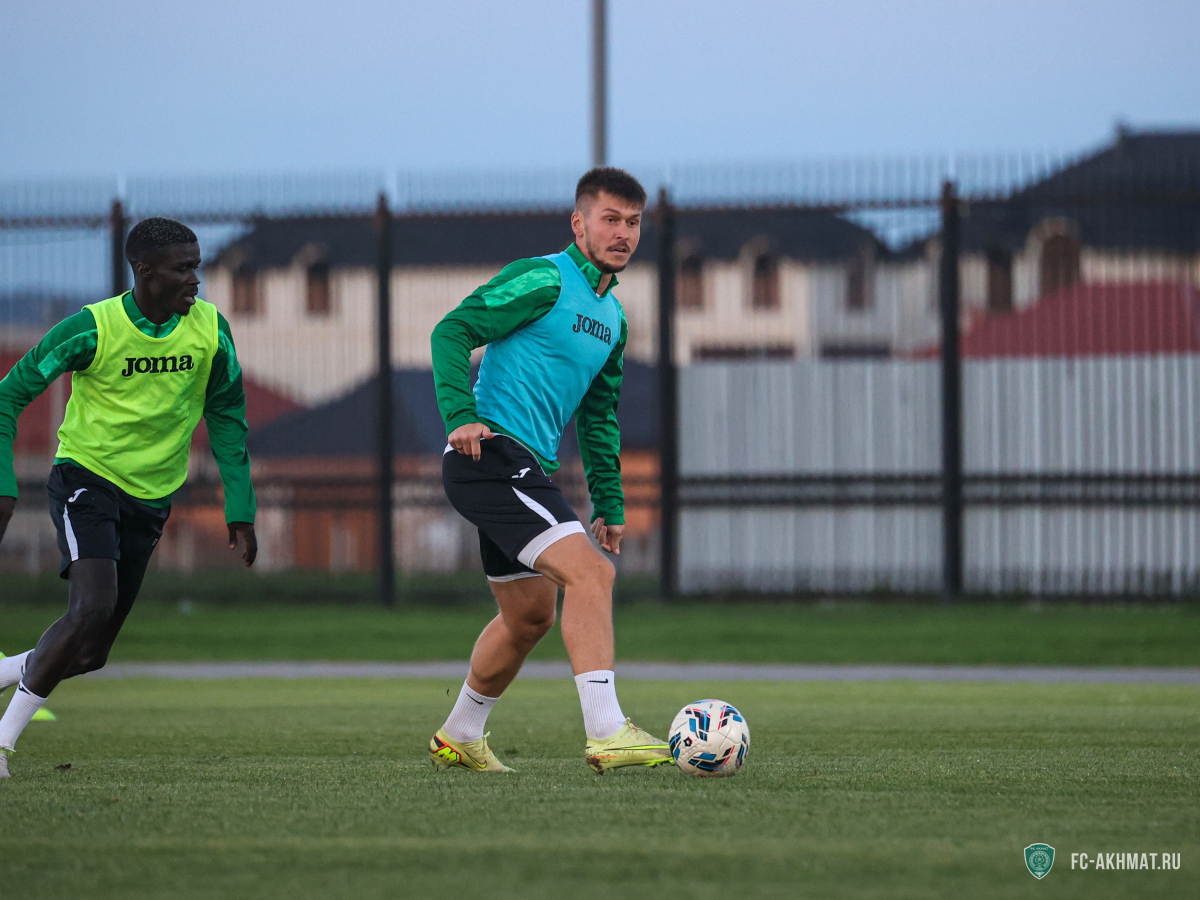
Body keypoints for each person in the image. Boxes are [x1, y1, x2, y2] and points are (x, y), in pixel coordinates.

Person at [429, 167, 671, 774]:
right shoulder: (544, 277)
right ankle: (607, 731)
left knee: (530, 616)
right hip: (490, 456)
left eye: (633, 222)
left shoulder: (613, 320)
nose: (623, 233)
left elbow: (599, 417)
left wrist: (609, 505)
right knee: (592, 575)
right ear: (579, 223)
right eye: (610, 219)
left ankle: (459, 736)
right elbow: (452, 330)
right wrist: (461, 416)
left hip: (526, 468)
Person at [0, 218, 257, 778]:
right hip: (86, 479)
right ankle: (2, 741)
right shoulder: (92, 329)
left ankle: (6, 671)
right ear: (145, 271)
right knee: (91, 606)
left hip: (152, 497)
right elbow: (8, 396)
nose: (196, 280)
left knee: (90, 653)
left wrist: (239, 505)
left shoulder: (211, 329)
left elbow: (227, 413)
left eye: (197, 266)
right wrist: (4, 481)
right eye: (183, 268)